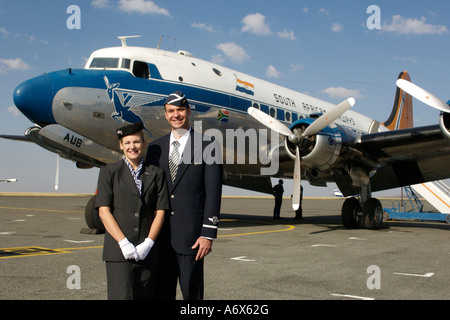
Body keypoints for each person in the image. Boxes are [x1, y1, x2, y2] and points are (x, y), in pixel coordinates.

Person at [147, 91, 223, 300]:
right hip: (160, 237)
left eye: (180, 110)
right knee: (161, 293)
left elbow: (213, 192)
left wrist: (208, 234)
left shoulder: (208, 145)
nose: (176, 115)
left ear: (188, 111)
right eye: (171, 111)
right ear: (165, 114)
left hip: (192, 238)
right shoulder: (155, 148)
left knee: (192, 294)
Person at [95, 122, 170, 300]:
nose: (132, 147)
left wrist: (149, 243)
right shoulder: (109, 172)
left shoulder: (156, 174)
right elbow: (104, 212)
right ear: (121, 145)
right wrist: (123, 243)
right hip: (119, 253)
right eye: (127, 143)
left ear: (143, 144)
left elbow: (160, 212)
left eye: (136, 142)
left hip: (147, 254)